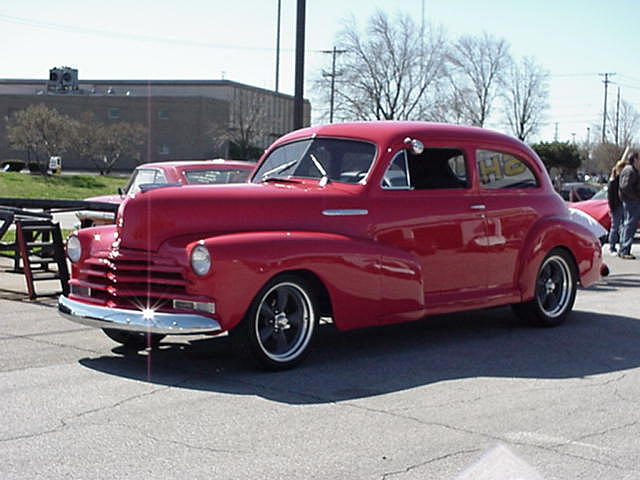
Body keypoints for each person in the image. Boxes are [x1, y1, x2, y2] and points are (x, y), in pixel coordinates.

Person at [618, 151, 640, 259]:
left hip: (630, 201)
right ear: (635, 159)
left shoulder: (629, 170)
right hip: (631, 202)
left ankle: (623, 249)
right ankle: (625, 250)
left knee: (627, 225)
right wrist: (635, 197)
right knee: (630, 225)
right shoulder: (630, 171)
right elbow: (625, 186)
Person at [607, 159, 626, 253]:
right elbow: (610, 196)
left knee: (623, 226)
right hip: (616, 206)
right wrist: (611, 208)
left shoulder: (622, 179)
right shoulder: (614, 181)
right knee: (615, 227)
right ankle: (612, 245)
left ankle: (622, 244)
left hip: (623, 204)